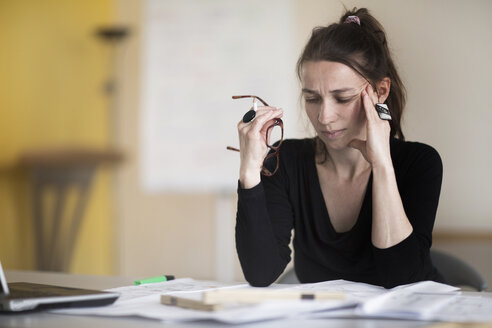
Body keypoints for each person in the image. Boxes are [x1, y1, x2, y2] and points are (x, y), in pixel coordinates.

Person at [233, 7, 444, 288]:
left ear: (380, 91)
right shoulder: (286, 162)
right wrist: (250, 173)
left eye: (342, 98)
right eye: (312, 99)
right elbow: (261, 273)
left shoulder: (420, 163)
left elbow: (400, 279)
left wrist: (382, 165)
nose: (324, 117)